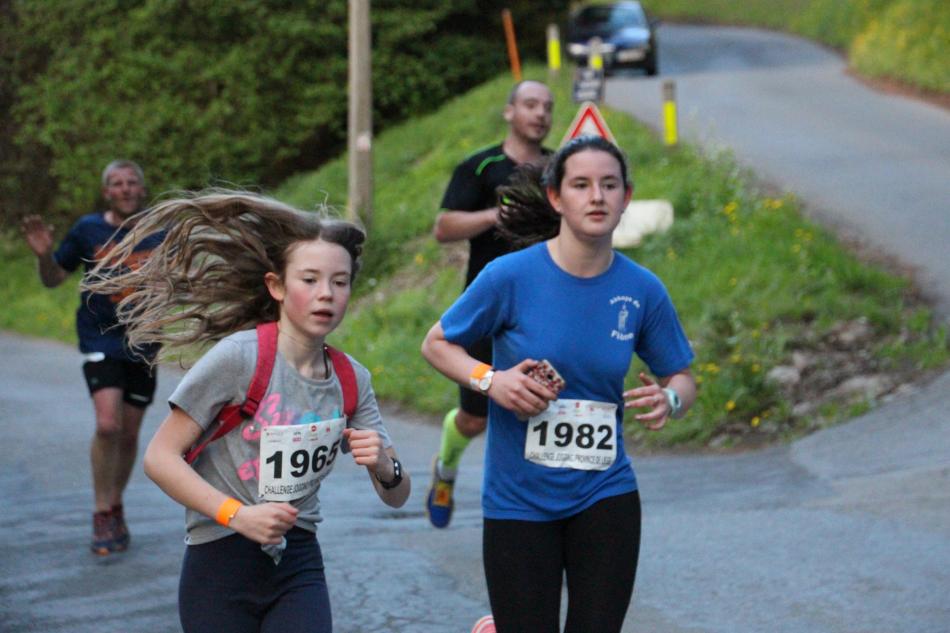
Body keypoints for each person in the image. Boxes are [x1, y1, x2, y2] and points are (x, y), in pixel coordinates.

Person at [84, 191, 410, 633]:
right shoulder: (240, 357)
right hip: (219, 560)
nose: (326, 294)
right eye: (310, 279)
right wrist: (238, 515)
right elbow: (159, 458)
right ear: (277, 286)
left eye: (340, 281)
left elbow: (397, 495)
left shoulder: (352, 379)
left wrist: (386, 467)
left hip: (297, 563)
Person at [421, 136, 697, 632]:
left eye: (609, 185)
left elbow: (681, 376)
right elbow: (437, 343)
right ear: (556, 197)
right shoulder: (509, 276)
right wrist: (492, 381)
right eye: (581, 185)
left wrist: (671, 398)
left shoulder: (641, 290)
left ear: (626, 197)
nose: (597, 196)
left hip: (605, 493)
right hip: (518, 500)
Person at [427, 79, 554, 528]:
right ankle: (445, 468)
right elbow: (443, 228)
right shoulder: (480, 167)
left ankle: (538, 509)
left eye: (547, 107)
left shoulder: (558, 168)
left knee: (543, 409)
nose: (540, 114)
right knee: (474, 419)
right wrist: (494, 215)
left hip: (545, 309)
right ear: (509, 112)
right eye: (530, 104)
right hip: (486, 312)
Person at [19, 159, 161, 556]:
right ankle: (101, 511)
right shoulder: (87, 230)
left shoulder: (160, 231)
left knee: (129, 434)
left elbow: (180, 279)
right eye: (117, 183)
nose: (125, 188)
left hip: (144, 343)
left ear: (142, 189)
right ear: (106, 192)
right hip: (100, 338)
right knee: (107, 424)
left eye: (132, 182)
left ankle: (115, 504)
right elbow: (53, 278)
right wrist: (44, 256)